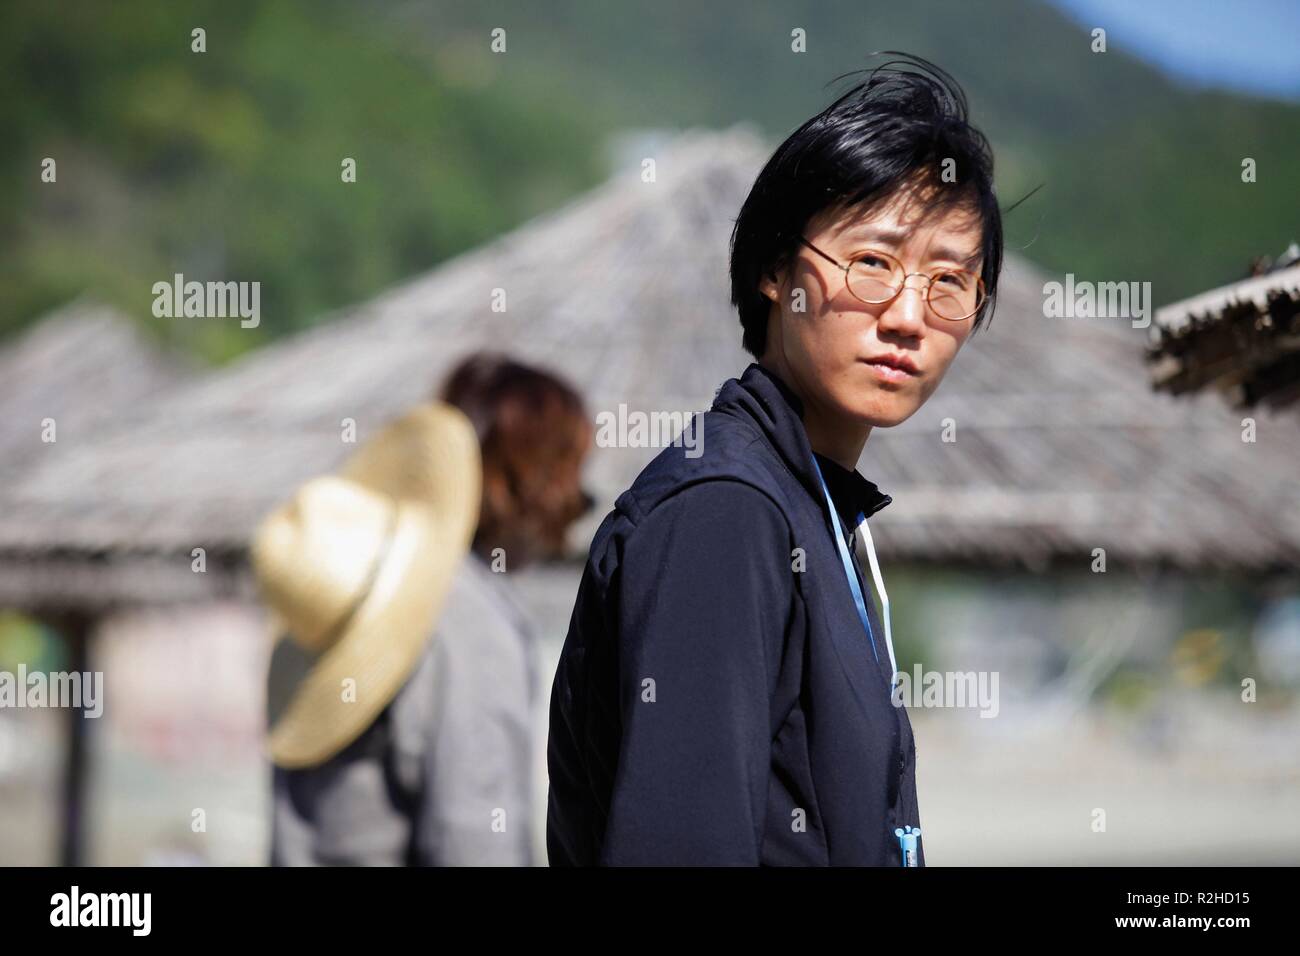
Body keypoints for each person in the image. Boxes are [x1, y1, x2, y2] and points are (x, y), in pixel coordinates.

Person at [547, 55, 1004, 865]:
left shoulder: (813, 506)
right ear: (773, 270)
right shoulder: (725, 510)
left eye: (950, 280)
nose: (908, 316)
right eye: (873, 263)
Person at [259, 353, 591, 866]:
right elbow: (476, 842)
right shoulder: (468, 620)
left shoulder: (343, 602)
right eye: (570, 480)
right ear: (530, 483)